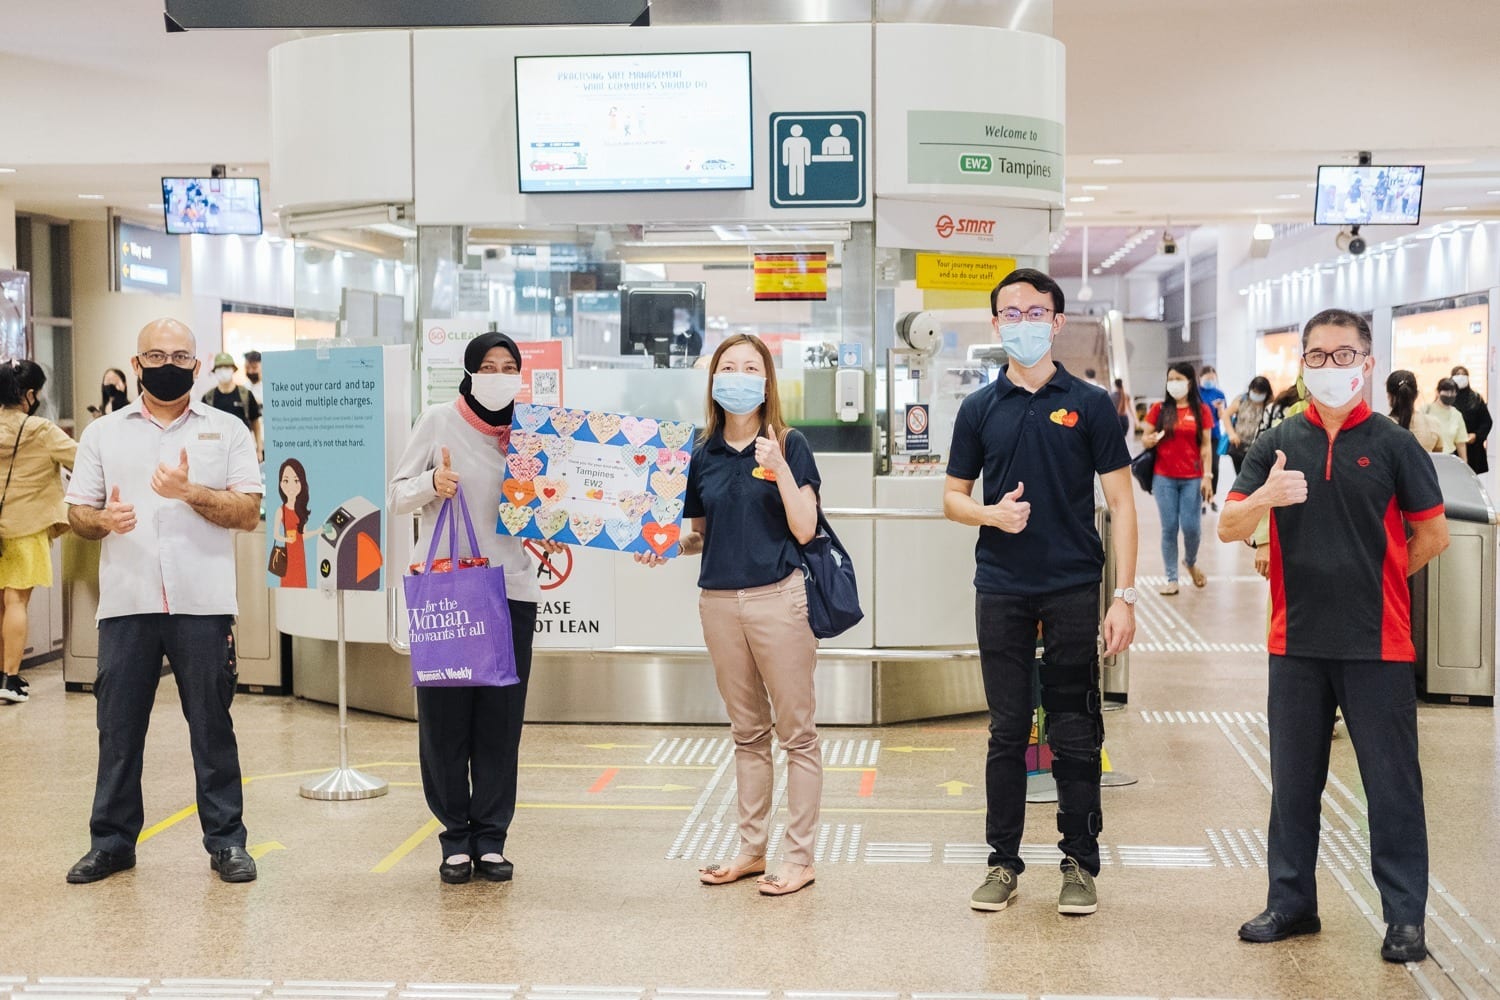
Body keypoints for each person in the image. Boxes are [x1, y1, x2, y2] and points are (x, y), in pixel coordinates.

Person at [1220, 308, 1447, 965]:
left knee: (1392, 786)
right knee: (1292, 784)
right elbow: (1230, 528)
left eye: (1342, 354)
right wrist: (1266, 498)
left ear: (1367, 362)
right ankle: (1291, 903)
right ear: (1303, 365)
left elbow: (1432, 534)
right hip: (1294, 643)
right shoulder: (1279, 439)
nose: (1329, 366)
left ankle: (1404, 918)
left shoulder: (1396, 445)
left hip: (1378, 644)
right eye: (1316, 356)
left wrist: (1377, 577)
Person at [944, 267, 1138, 917]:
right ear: (996, 324)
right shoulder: (979, 409)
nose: (1022, 323)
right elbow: (953, 498)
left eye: (1036, 312)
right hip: (1000, 587)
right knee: (1006, 730)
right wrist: (990, 515)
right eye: (1011, 313)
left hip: (1073, 588)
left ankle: (1079, 864)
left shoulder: (1087, 404)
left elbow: (1122, 503)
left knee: (1075, 730)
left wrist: (1125, 596)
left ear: (1056, 322)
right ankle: (1002, 862)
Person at [63, 318, 264, 885]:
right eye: (155, 354)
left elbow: (248, 512)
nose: (167, 364)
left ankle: (226, 842)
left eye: (179, 355)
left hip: (202, 603)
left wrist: (190, 493)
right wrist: (101, 519)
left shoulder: (226, 430)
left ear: (198, 368)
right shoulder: (104, 433)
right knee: (118, 729)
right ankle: (111, 843)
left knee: (212, 728)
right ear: (136, 364)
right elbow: (77, 512)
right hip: (127, 604)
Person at [635, 333, 823, 897]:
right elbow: (699, 535)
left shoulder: (790, 444)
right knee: (746, 732)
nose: (737, 375)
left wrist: (780, 469)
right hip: (718, 602)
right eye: (727, 367)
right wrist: (666, 545)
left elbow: (806, 528)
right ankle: (750, 849)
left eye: (749, 367)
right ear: (714, 380)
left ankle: (798, 857)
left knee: (798, 734)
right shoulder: (701, 452)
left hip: (780, 600)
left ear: (766, 381)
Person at [389, 331, 563, 886]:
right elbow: (394, 496)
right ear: (469, 371)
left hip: (510, 590)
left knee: (500, 721)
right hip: (450, 590)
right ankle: (454, 837)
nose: (498, 374)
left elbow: (553, 504)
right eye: (487, 365)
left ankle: (491, 838)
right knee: (443, 721)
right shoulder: (439, 420)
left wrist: (555, 529)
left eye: (508, 365)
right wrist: (431, 484)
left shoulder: (535, 434)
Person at [0, 361, 77, 705]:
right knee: (16, 601)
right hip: (24, 527)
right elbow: (82, 460)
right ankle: (9, 677)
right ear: (29, 394)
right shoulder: (41, 430)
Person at [1141, 363, 1214, 594]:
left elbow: (1205, 447)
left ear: (1190, 382)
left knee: (1192, 528)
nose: (1173, 383)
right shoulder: (1159, 409)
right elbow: (1145, 438)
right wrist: (1149, 440)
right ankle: (1171, 578)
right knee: (1169, 527)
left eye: (1178, 378)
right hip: (1163, 478)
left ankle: (1190, 562)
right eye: (1170, 378)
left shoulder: (1202, 411)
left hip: (1192, 477)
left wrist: (1208, 476)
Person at [202, 352, 263, 459]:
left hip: (243, 452)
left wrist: (259, 450)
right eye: (219, 368)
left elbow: (255, 424)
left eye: (226, 367)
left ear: (233, 369)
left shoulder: (246, 394)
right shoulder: (208, 398)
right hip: (216, 455)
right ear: (215, 371)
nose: (223, 371)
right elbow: (202, 432)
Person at [273, 458, 310, 588]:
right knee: (288, 586)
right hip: (287, 555)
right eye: (286, 481)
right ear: (280, 483)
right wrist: (286, 539)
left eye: (296, 481)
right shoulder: (281, 510)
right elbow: (276, 535)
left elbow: (303, 536)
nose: (291, 486)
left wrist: (319, 531)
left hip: (300, 555)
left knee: (301, 584)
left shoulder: (301, 510)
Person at [1226, 376, 1273, 475]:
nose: (1256, 395)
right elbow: (1226, 415)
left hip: (1258, 448)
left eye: (1260, 393)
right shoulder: (1241, 400)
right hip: (1239, 446)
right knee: (1241, 476)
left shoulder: (1270, 405)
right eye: (1254, 391)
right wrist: (1231, 434)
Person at [1385, 371, 1440, 452]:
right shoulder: (1433, 423)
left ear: (1389, 396)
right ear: (1416, 394)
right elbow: (1439, 458)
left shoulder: (1380, 426)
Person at [1450, 365, 1491, 474]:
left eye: (1463, 374)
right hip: (1452, 448)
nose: (1461, 377)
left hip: (1473, 448)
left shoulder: (1476, 398)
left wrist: (1476, 435)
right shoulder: (1447, 398)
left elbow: (1486, 421)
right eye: (1457, 374)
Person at [1197, 365, 1228, 509]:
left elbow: (1223, 416)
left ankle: (1212, 496)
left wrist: (1220, 409)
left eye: (1212, 379)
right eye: (1207, 378)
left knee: (1214, 466)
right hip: (1197, 435)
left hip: (1214, 435)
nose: (1209, 381)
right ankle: (1201, 499)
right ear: (1200, 378)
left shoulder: (1219, 394)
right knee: (1199, 467)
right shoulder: (1195, 394)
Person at [1424, 377, 1468, 461]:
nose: (1449, 395)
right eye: (1446, 392)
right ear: (1437, 392)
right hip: (1427, 457)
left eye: (1453, 392)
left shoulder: (1457, 415)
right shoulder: (1425, 410)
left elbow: (1461, 443)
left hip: (1448, 459)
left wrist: (1464, 464)